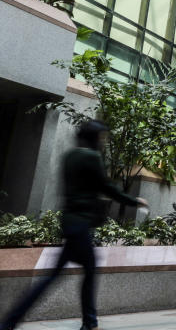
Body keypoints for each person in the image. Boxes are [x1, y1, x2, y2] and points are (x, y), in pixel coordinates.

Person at [1, 120, 147, 330]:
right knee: (81, 272)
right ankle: (89, 322)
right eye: (103, 137)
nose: (104, 141)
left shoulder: (70, 156)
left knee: (60, 275)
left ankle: (12, 321)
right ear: (95, 137)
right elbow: (106, 187)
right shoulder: (91, 157)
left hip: (69, 222)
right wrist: (135, 201)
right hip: (80, 225)